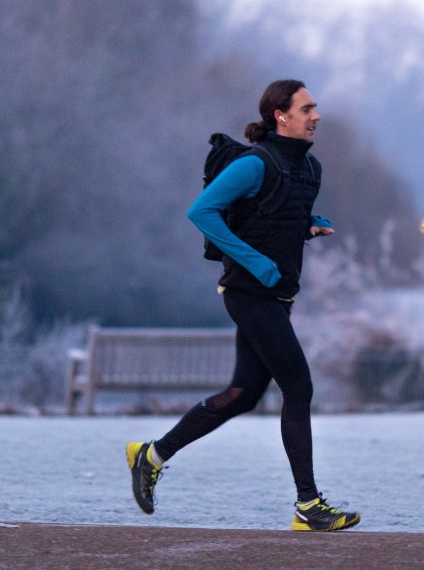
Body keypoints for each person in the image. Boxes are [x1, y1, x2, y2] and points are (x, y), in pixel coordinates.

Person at [125, 79, 360, 532]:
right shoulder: (255, 163)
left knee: (242, 395)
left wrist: (309, 224)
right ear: (281, 115)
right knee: (298, 385)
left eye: (316, 108)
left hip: (277, 295)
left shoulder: (310, 168)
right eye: (307, 108)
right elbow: (202, 211)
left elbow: (275, 213)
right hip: (249, 293)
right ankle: (308, 506)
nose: (316, 116)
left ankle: (150, 456)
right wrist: (256, 262)